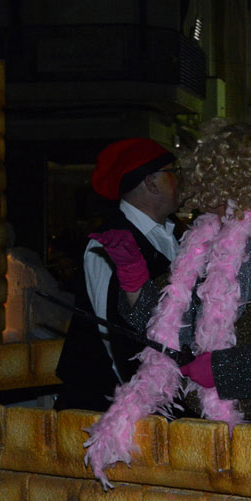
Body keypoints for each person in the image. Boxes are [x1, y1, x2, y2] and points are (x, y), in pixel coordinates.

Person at [84, 122, 251, 485]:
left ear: (234, 175)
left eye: (206, 173)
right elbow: (163, 325)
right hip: (207, 428)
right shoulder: (204, 238)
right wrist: (135, 281)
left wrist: (222, 370)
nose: (194, 186)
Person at [55, 137, 181, 412]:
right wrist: (139, 403)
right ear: (151, 182)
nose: (180, 181)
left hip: (165, 401)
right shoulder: (109, 243)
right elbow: (109, 333)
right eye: (175, 173)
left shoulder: (179, 234)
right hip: (107, 408)